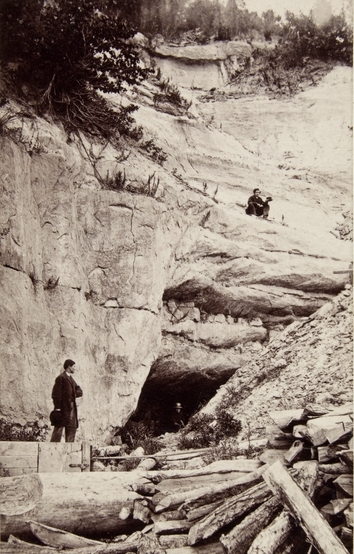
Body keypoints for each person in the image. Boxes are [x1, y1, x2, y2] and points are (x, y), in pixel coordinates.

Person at [50, 359, 83, 443]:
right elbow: (55, 394)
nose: (75, 368)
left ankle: (69, 452)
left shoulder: (71, 379)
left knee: (72, 428)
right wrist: (57, 407)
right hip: (63, 408)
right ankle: (52, 452)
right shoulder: (61, 378)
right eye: (74, 367)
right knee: (58, 430)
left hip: (72, 408)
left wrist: (72, 393)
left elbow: (80, 391)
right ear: (69, 367)